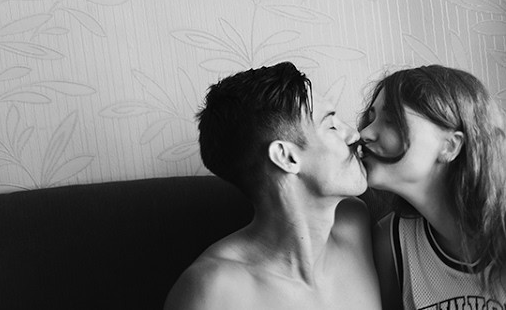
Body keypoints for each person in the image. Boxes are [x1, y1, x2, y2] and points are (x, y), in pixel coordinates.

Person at [164, 62, 380, 310]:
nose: (354, 135)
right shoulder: (212, 289)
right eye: (331, 126)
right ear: (287, 157)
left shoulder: (354, 224)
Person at [358, 65, 506, 309]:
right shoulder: (391, 241)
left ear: (450, 146)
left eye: (391, 120)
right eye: (371, 119)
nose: (364, 133)